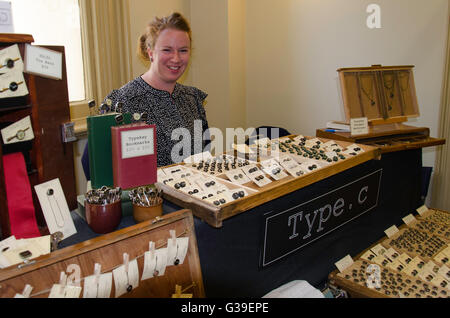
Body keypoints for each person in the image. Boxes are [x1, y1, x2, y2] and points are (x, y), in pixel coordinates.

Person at [82, 12, 209, 175]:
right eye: (167, 50)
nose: (176, 59)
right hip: (150, 200)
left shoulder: (192, 99)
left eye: (183, 50)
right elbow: (91, 164)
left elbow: (203, 154)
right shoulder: (123, 101)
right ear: (150, 52)